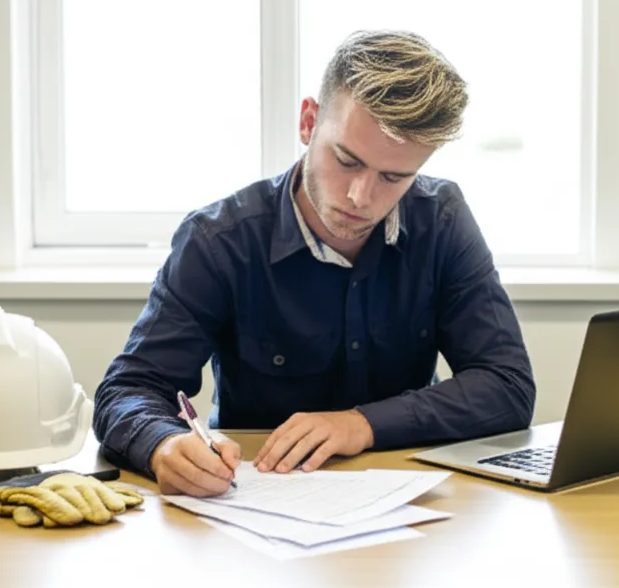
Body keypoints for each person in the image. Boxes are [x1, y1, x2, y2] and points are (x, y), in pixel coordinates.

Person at [92, 29, 536, 498]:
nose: (360, 197)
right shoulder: (220, 240)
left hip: (406, 507)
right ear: (309, 122)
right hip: (255, 507)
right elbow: (128, 390)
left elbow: (506, 385)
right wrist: (163, 444)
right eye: (346, 160)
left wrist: (362, 425)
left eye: (393, 177)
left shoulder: (441, 219)